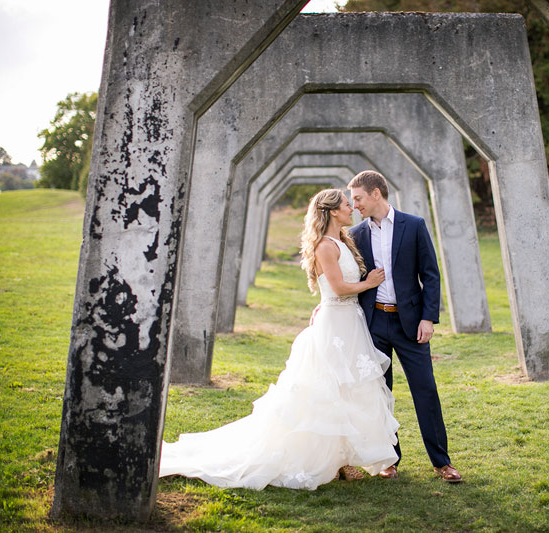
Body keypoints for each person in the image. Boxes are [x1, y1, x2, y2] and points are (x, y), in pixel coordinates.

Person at [159, 189, 399, 490]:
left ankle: (343, 459)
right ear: (331, 211)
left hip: (349, 323)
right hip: (335, 325)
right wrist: (369, 283)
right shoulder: (326, 245)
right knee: (329, 391)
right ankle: (330, 460)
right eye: (345, 204)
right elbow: (337, 288)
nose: (350, 208)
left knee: (347, 390)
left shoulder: (343, 241)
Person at [348, 170, 462, 483]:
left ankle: (442, 462)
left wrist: (428, 318)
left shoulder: (414, 226)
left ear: (375, 194)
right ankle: (390, 459)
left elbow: (431, 274)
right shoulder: (357, 233)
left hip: (411, 324)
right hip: (374, 325)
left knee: (425, 390)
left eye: (358, 198)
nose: (354, 204)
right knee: (381, 394)